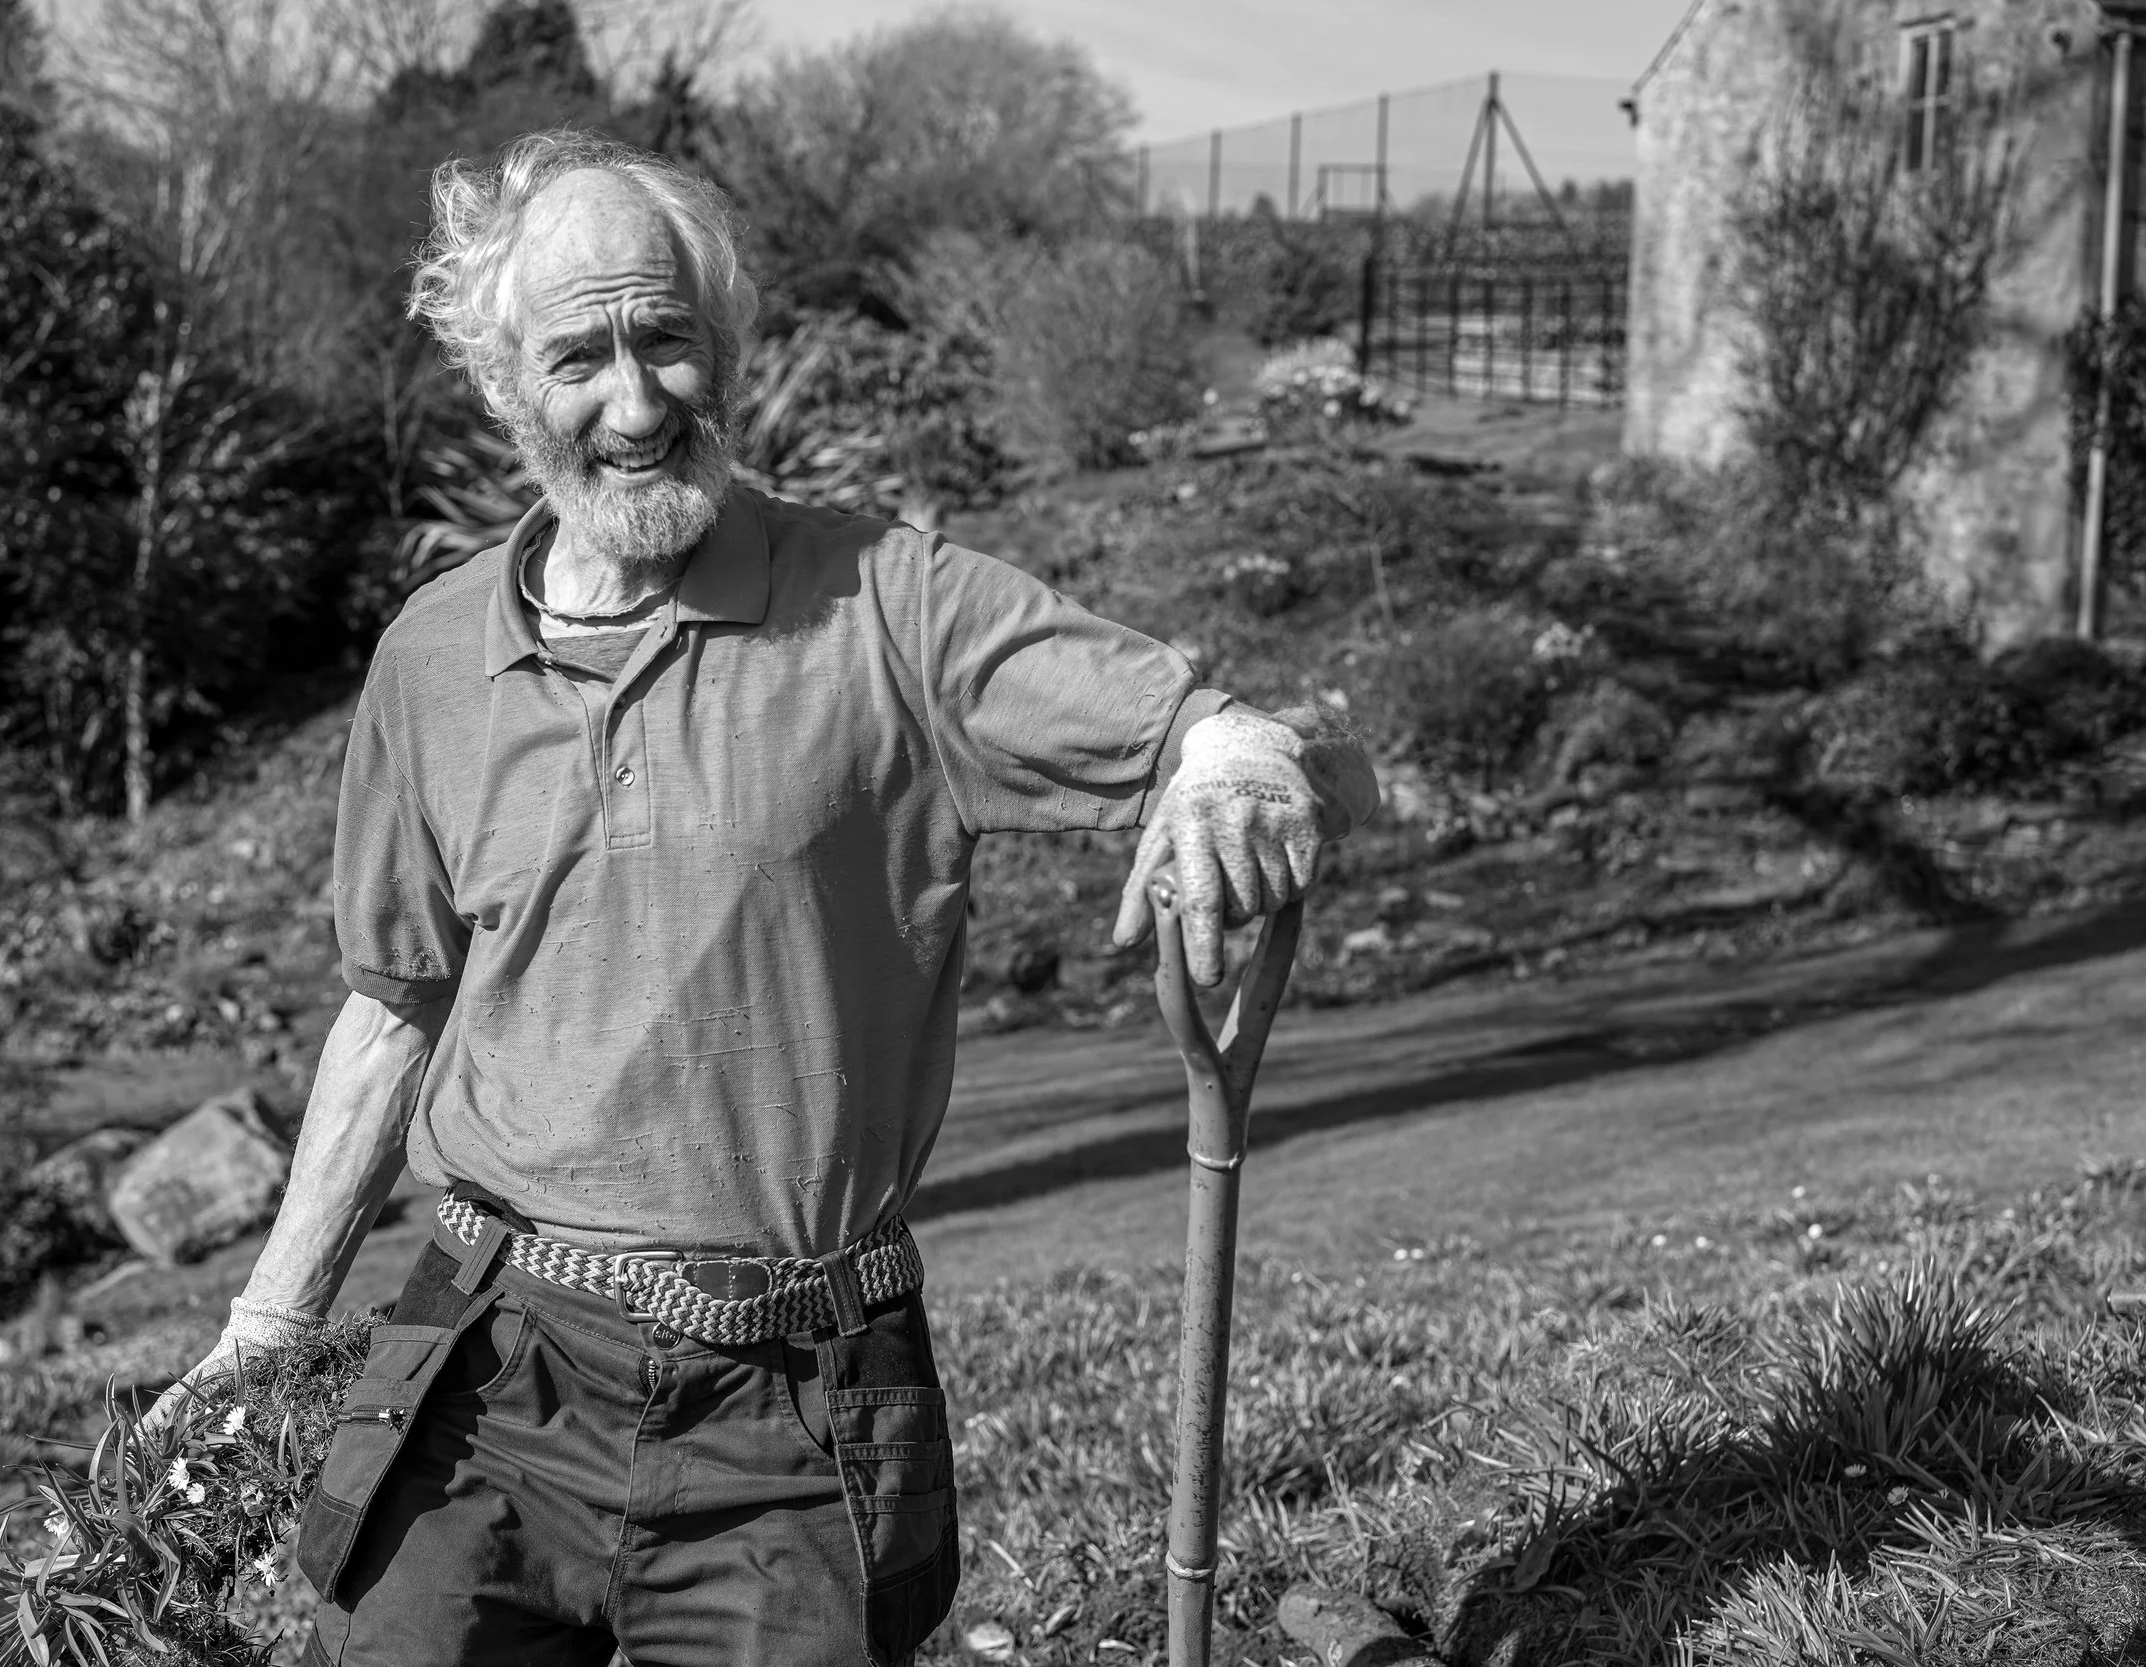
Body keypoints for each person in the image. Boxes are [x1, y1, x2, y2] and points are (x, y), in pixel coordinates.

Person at [161, 130, 1377, 1667]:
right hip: (487, 1364)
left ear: (723, 349)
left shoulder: (885, 601)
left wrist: (1233, 757)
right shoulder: (430, 657)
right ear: (504, 384)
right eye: (581, 354)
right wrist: (269, 1324)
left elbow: (1193, 723)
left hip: (791, 1400)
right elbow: (396, 998)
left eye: (668, 339)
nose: (637, 398)